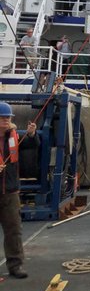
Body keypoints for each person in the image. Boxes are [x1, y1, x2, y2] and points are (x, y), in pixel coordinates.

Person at [0, 103, 37, 279]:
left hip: (10, 192)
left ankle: (15, 265)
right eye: (3, 117)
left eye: (8, 117)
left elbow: (30, 144)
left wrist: (31, 134)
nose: (6, 120)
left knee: (14, 229)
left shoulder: (13, 136)